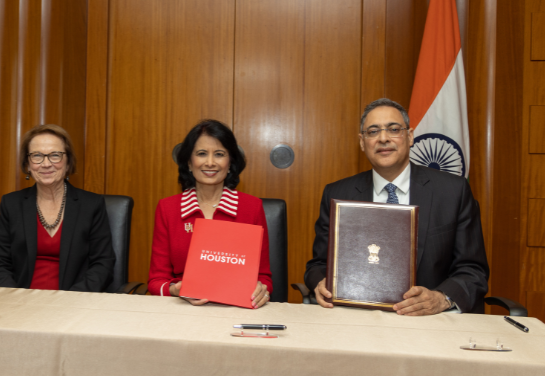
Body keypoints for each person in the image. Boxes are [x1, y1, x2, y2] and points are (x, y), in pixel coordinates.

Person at [304, 98, 489, 314]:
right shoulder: (337, 194)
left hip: (429, 322)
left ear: (409, 137)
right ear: (362, 142)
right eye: (373, 132)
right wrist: (320, 282)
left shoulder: (452, 192)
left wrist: (441, 298)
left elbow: (473, 270)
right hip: (356, 319)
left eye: (393, 129)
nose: (383, 138)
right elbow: (317, 265)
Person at [148, 119, 273, 307]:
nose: (210, 162)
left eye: (219, 154)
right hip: (183, 310)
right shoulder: (168, 209)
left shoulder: (252, 207)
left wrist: (262, 290)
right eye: (201, 154)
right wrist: (176, 290)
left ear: (230, 162)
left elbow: (264, 277)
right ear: (189, 162)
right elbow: (156, 282)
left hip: (237, 309)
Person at [0, 124, 115, 291]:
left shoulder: (91, 205)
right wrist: (14, 297)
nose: (46, 164)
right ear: (28, 164)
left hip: (75, 302)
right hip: (20, 301)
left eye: (55, 155)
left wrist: (71, 300)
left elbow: (103, 264)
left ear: (68, 162)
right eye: (37, 156)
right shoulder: (12, 204)